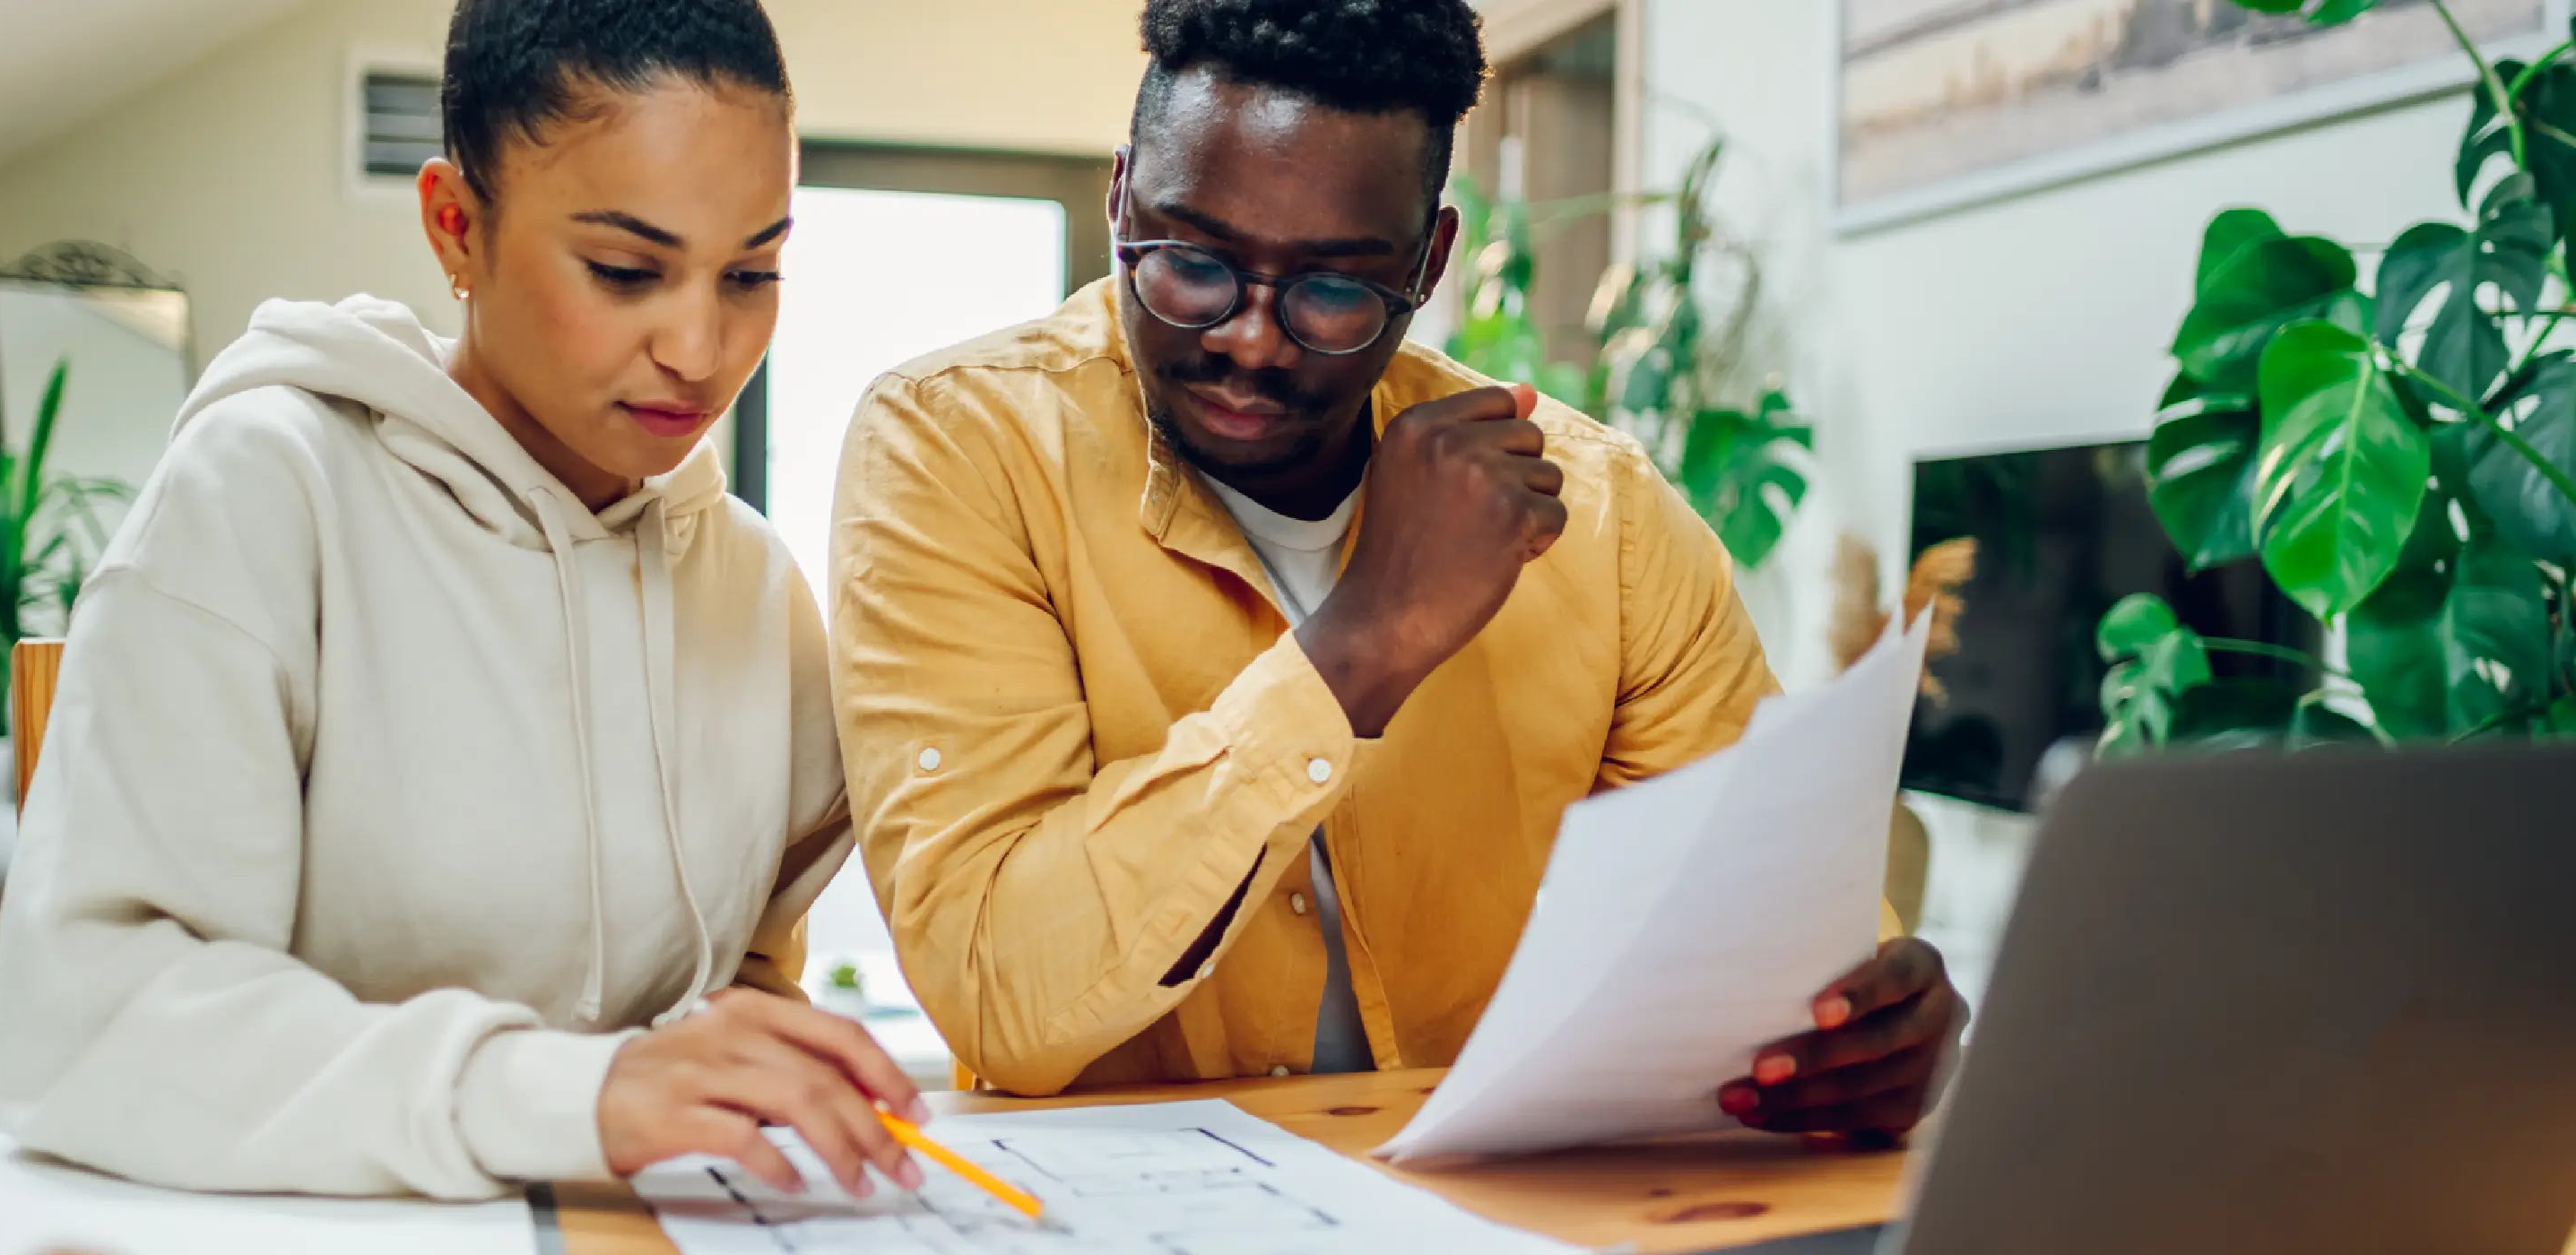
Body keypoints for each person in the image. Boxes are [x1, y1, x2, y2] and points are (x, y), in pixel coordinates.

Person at [828, 0, 1965, 1136]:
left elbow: (1765, 934)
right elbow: (997, 995)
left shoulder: (1601, 516)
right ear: (1121, 197)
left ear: (1427, 263)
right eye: (1190, 263)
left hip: (1496, 1208)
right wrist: (1359, 643)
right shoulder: (957, 447)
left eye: (1331, 289)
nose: (1251, 340)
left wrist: (1862, 1028)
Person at [0, 0, 927, 1200]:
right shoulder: (267, 491)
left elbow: (739, 971)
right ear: (456, 227)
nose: (701, 347)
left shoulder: (752, 588)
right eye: (626, 271)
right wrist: (566, 1094)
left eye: (752, 272)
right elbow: (88, 1024)